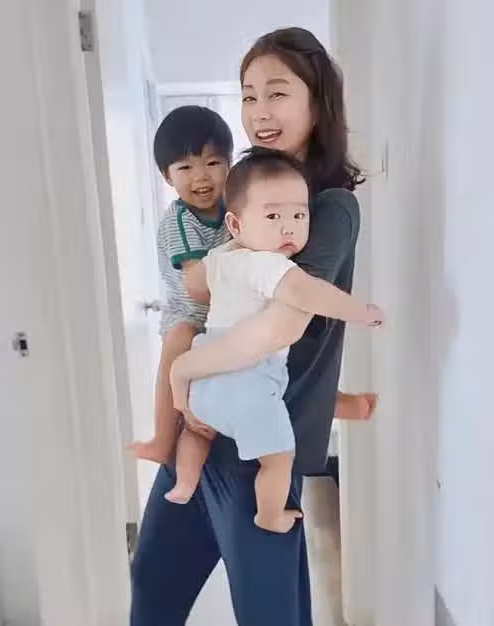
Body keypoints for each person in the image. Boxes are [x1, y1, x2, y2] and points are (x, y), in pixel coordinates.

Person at [130, 27, 370, 625]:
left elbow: (280, 327)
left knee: (270, 614)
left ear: (318, 103)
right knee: (153, 586)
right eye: (248, 96)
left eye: (278, 93)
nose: (260, 112)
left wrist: (184, 369)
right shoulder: (240, 199)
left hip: (256, 450)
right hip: (200, 432)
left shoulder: (327, 208)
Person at [165, 147, 383, 533]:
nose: (288, 228)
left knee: (196, 430)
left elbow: (195, 284)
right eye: (273, 216)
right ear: (235, 224)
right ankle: (269, 515)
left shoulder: (222, 258)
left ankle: (185, 482)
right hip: (249, 384)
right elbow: (307, 293)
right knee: (278, 458)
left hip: (205, 377)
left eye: (299, 215)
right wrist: (361, 311)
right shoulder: (268, 264)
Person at [128, 105, 233, 465]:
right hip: (190, 313)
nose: (201, 176)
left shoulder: (235, 205)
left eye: (213, 163)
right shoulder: (180, 222)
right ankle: (162, 438)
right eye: (186, 168)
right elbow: (197, 287)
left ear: (230, 164)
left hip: (225, 314)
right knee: (179, 341)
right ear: (167, 176)